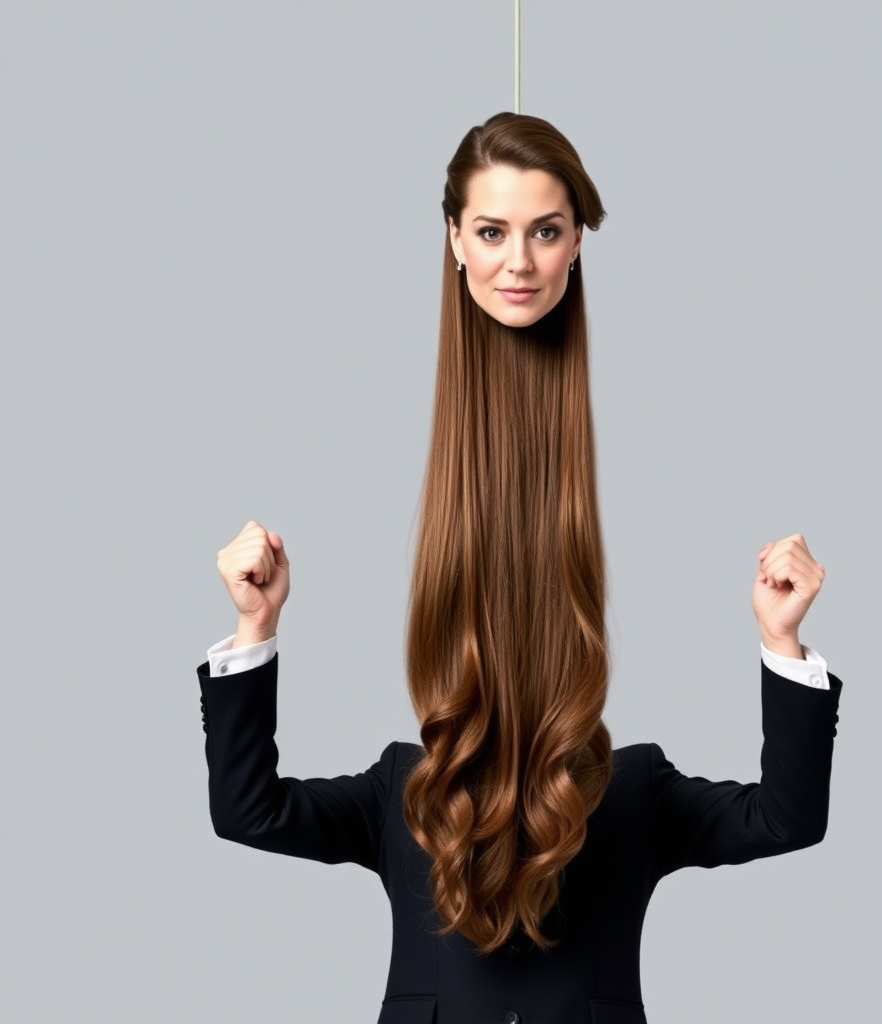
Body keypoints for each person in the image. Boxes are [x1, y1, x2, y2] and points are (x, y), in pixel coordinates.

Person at [198, 112, 841, 1024]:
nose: (520, 261)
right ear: (454, 237)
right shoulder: (403, 793)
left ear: (578, 239)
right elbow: (248, 812)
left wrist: (784, 644)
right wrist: (255, 632)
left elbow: (786, 819)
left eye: (546, 230)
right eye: (492, 231)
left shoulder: (633, 792)